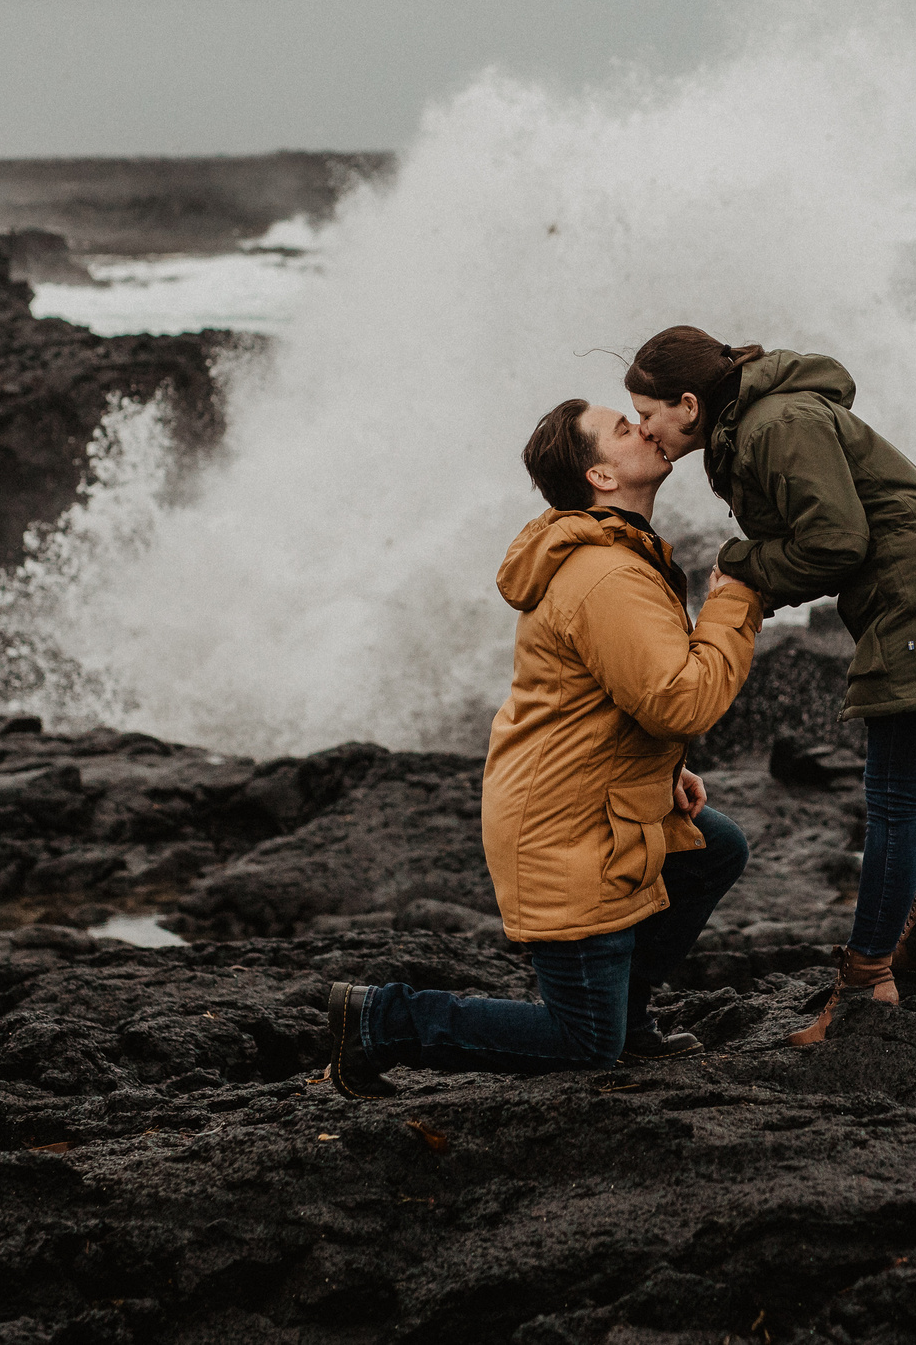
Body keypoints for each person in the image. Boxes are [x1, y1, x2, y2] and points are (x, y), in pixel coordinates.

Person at [325, 397, 765, 1098]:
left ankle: (629, 1009)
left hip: (594, 803)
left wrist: (667, 768)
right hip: (565, 831)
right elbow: (681, 698)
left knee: (714, 848)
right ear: (598, 475)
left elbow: (622, 692)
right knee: (585, 1043)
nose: (645, 427)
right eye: (624, 428)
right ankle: (382, 1019)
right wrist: (735, 602)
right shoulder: (606, 575)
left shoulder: (618, 553)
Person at [626, 328, 916, 1044]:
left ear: (686, 404)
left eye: (645, 413)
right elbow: (827, 537)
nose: (640, 430)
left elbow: (837, 540)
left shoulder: (776, 423)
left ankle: (867, 983)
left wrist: (740, 565)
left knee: (894, 793)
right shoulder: (763, 421)